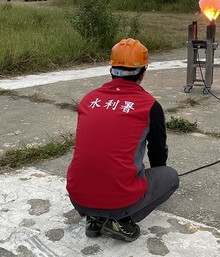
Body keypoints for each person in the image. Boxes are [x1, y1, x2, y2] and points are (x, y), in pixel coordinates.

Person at [66, 38, 179, 242]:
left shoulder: (90, 99)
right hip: (119, 199)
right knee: (170, 177)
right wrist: (154, 177)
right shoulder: (149, 106)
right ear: (143, 73)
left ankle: (94, 219)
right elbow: (157, 152)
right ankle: (121, 221)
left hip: (78, 197)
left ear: (111, 69)